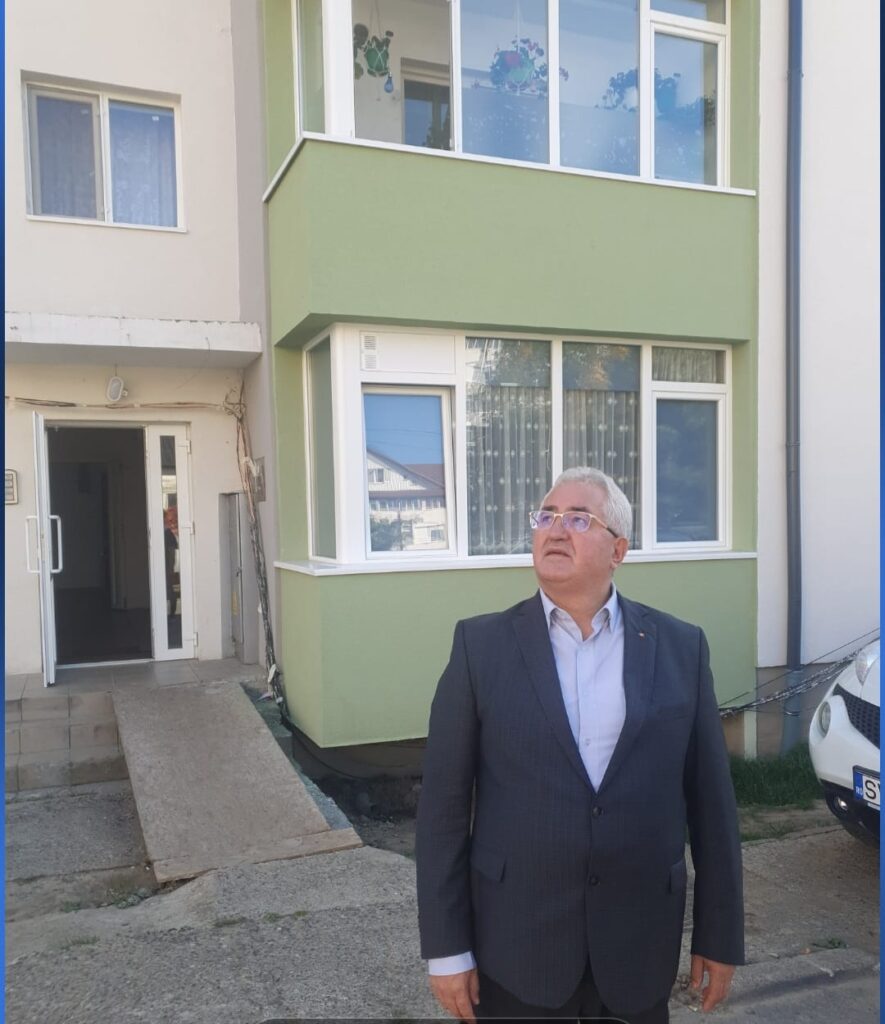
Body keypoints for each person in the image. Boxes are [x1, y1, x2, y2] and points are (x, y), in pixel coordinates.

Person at [416, 467, 743, 1023]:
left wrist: (719, 934)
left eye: (578, 519)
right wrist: (447, 949)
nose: (555, 529)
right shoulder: (480, 647)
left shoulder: (680, 647)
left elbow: (712, 806)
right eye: (546, 517)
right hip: (517, 950)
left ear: (618, 550)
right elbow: (442, 810)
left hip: (639, 948)